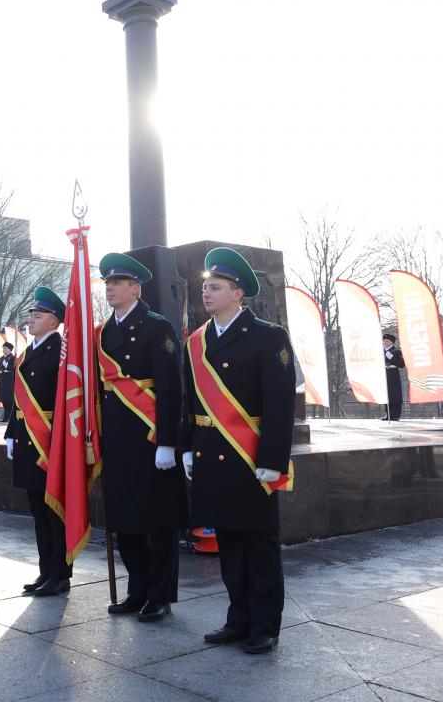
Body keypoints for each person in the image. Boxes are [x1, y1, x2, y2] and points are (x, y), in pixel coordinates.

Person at [179, 247, 296, 655]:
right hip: (211, 454)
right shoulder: (197, 341)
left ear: (238, 293)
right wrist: (187, 448)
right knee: (228, 543)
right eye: (205, 286)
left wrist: (272, 461)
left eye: (215, 287)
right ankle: (238, 619)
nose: (206, 293)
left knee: (259, 545)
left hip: (250, 457)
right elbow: (189, 401)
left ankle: (265, 626)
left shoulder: (268, 336)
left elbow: (280, 405)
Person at [96, 253, 187, 621]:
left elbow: (170, 388)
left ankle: (160, 594)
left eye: (118, 283)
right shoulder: (102, 333)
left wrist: (168, 440)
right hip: (117, 438)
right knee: (125, 520)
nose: (110, 288)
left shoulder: (156, 327)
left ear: (136, 288)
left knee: (158, 521)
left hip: (150, 436)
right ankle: (138, 588)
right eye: (107, 284)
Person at [4, 287, 69, 596]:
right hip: (28, 438)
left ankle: (60, 574)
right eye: (31, 314)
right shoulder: (28, 352)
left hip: (49, 441)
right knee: (39, 513)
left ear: (54, 321)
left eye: (38, 315)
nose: (31, 319)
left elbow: (65, 401)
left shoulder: (60, 351)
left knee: (56, 513)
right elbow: (18, 400)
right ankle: (46, 571)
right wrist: (10, 433)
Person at [383, 334, 406, 421]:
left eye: (387, 341)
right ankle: (388, 415)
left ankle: (396, 415)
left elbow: (402, 364)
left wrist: (392, 359)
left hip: (393, 374)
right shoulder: (381, 351)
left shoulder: (396, 351)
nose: (385, 342)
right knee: (386, 394)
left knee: (395, 395)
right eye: (384, 341)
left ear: (392, 342)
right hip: (385, 374)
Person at [0, 342, 16, 422]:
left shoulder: (13, 358)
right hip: (2, 380)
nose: (3, 349)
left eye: (5, 348)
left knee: (9, 400)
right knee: (3, 399)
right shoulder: (1, 358)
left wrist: (6, 365)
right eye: (3, 348)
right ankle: (6, 417)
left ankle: (8, 417)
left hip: (9, 381)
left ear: (9, 349)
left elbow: (13, 369)